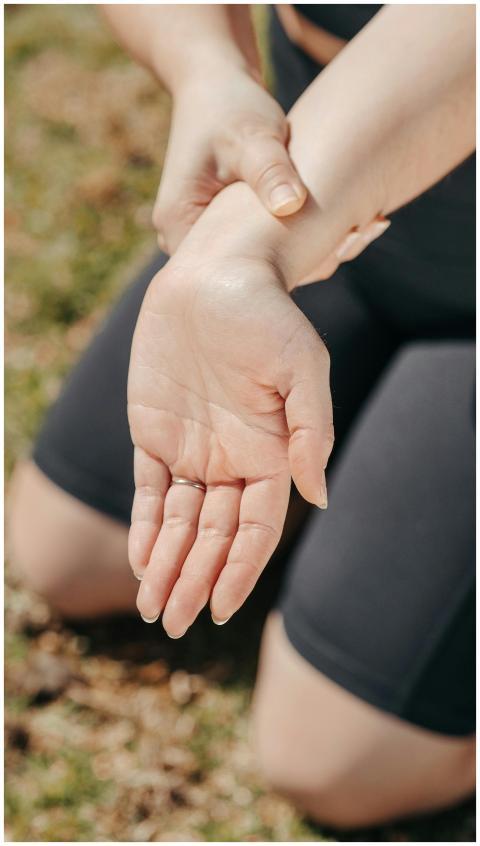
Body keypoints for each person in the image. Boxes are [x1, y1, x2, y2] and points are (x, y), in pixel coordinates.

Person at [9, 4, 475, 829]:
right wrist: (204, 68)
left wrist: (242, 244)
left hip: (316, 206)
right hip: (320, 197)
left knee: (338, 758)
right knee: (67, 550)